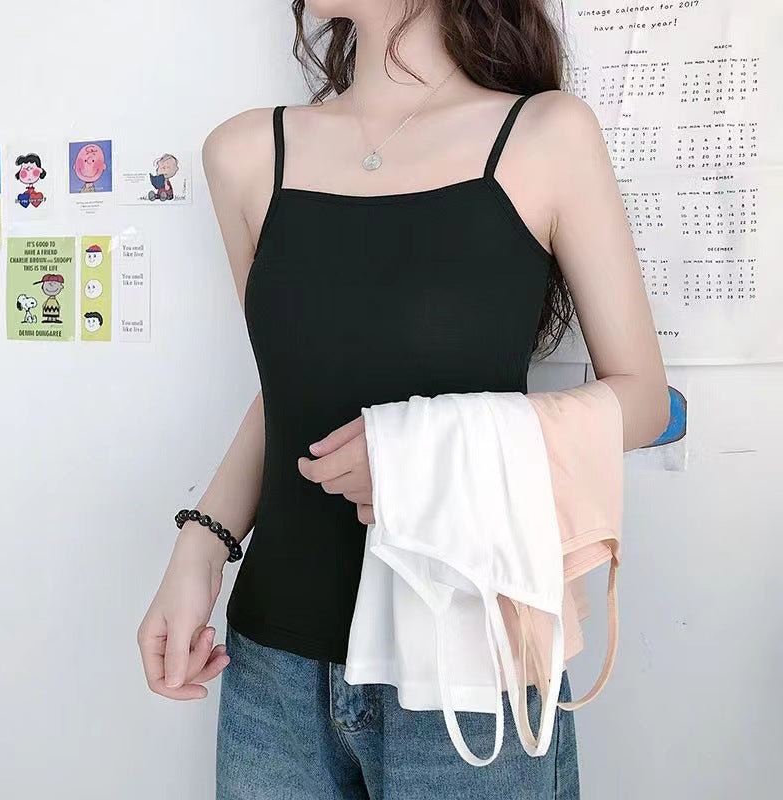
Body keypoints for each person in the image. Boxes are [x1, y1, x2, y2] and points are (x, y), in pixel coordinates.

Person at [137, 1, 670, 797]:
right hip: (274, 671)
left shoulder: (545, 135)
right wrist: (200, 548)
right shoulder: (245, 154)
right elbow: (287, 387)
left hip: (473, 666)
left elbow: (643, 400)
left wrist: (417, 454)